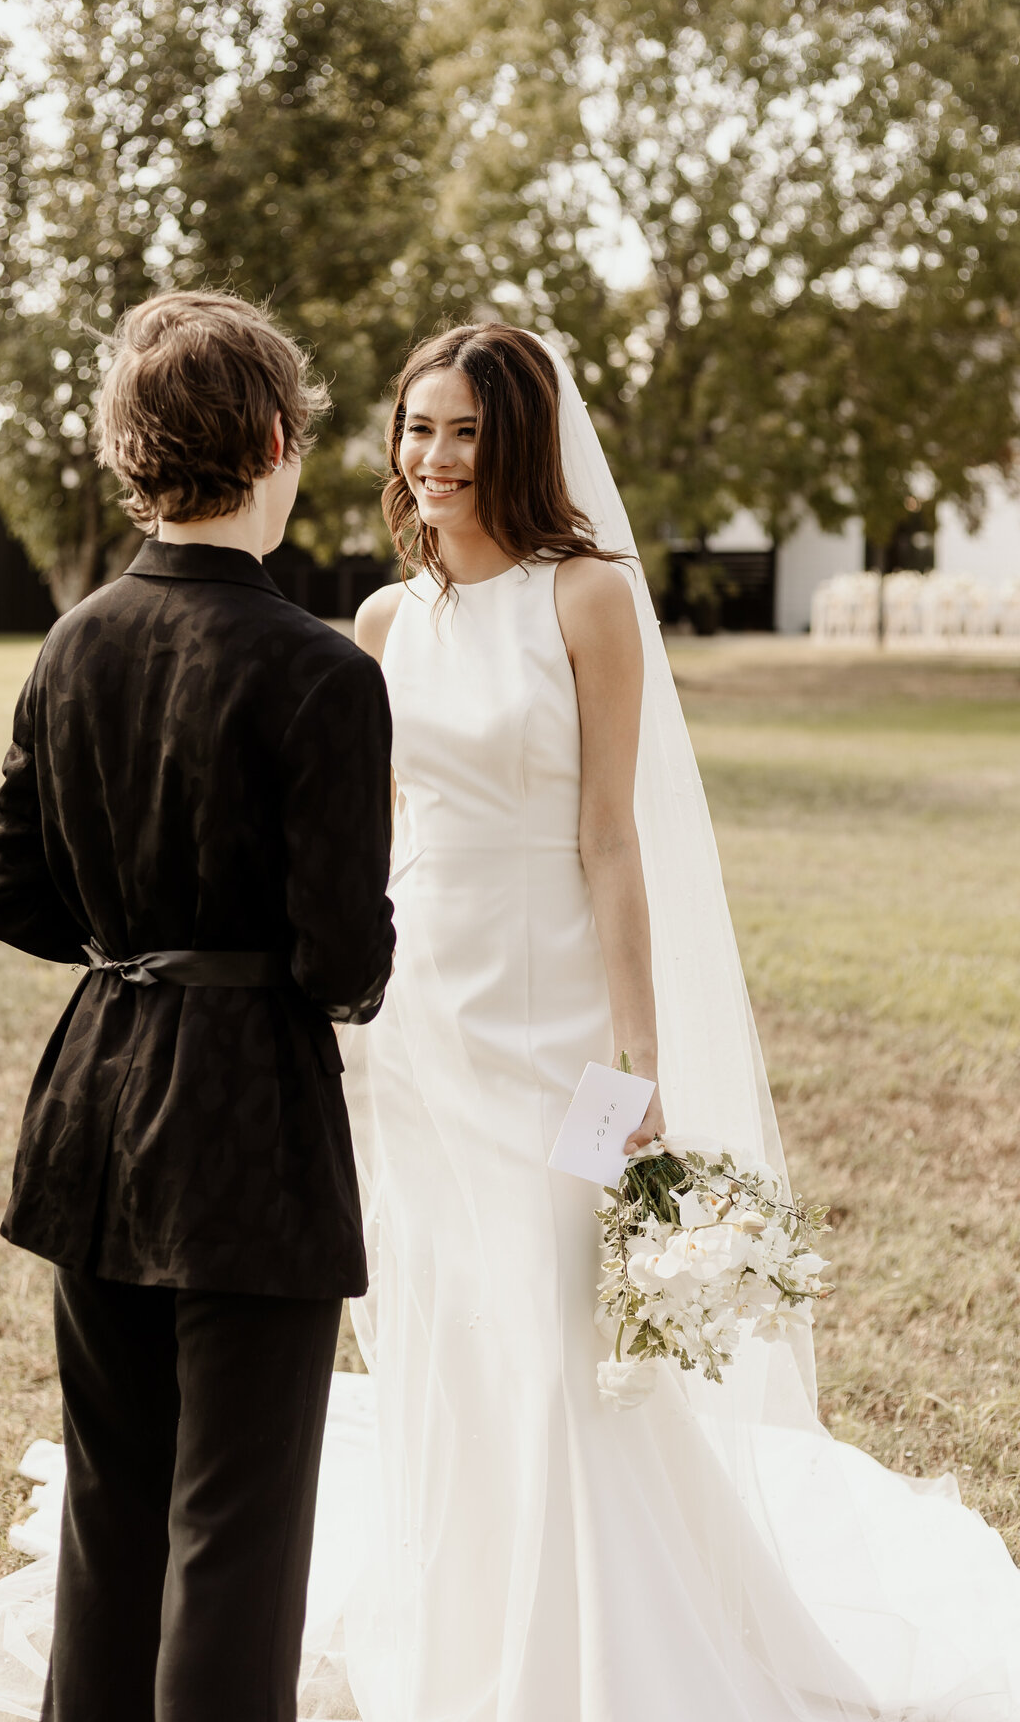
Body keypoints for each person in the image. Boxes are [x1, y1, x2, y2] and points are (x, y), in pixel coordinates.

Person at [339, 322, 1020, 1721]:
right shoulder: (387, 621)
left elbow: (611, 841)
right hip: (416, 1032)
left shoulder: (585, 597)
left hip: (554, 1029)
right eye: (419, 428)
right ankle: (471, 1635)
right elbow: (384, 837)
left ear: (517, 440)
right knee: (446, 1320)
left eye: (465, 430)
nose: (436, 457)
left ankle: (603, 1658)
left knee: (557, 1324)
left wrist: (637, 1061)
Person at [0, 290, 395, 1722]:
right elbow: (346, 960)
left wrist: (134, 949)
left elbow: (9, 892)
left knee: (114, 1501)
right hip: (252, 1131)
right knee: (238, 1527)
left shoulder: (73, 639)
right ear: (274, 442)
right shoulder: (325, 670)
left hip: (94, 1105)